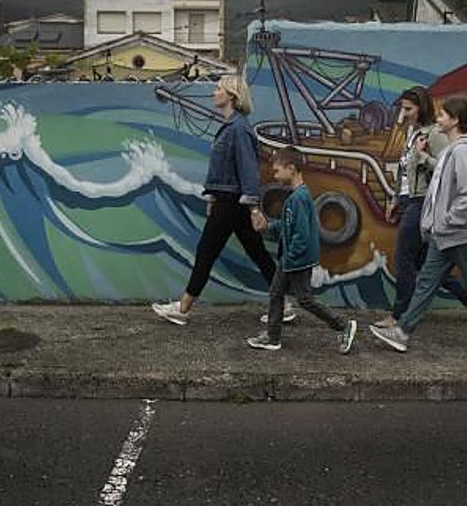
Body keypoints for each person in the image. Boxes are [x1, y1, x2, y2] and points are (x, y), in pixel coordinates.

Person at [370, 96, 467, 359]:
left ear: (455, 121)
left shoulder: (464, 151)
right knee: (427, 284)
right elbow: (443, 175)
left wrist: (445, 220)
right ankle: (402, 332)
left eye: (443, 115)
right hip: (444, 235)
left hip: (462, 235)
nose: (438, 118)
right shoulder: (452, 150)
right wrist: (423, 157)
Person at [151, 73, 293, 325]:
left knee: (207, 252)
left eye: (218, 89)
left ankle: (183, 309)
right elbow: (225, 171)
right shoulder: (231, 127)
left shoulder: (239, 129)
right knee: (258, 254)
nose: (213, 93)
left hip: (233, 203)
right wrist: (213, 196)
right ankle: (286, 305)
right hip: (228, 201)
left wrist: (252, 206)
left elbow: (248, 169)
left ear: (231, 96)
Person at [375, 86, 467, 329]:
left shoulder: (434, 134)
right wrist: (396, 199)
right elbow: (404, 171)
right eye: (402, 108)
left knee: (403, 258)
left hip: (422, 201)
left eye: (408, 109)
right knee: (421, 262)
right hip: (409, 200)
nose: (404, 112)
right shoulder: (413, 133)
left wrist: (421, 157)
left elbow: (445, 167)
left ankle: (399, 316)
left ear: (421, 108)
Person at [246, 146, 358, 353]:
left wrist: (289, 258)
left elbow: (302, 236)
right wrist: (267, 226)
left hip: (296, 260)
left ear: (291, 168)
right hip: (293, 258)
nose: (274, 173)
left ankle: (343, 325)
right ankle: (272, 337)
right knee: (276, 294)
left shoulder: (299, 199)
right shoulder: (297, 196)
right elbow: (288, 226)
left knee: (303, 299)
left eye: (278, 170)